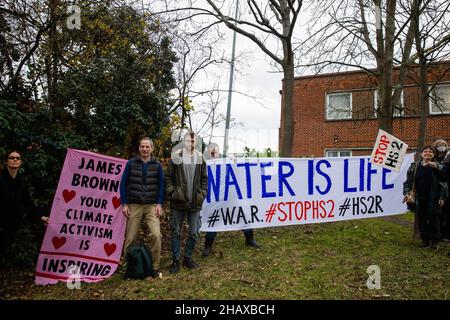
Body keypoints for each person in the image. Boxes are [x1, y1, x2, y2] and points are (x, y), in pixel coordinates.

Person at [202, 143, 260, 257]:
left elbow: (239, 172)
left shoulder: (226, 161)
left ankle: (250, 239)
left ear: (219, 152)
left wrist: (235, 162)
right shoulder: (204, 165)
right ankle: (207, 247)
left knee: (243, 215)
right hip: (215, 198)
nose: (214, 155)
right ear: (208, 153)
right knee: (214, 220)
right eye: (211, 153)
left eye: (216, 153)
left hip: (230, 196)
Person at [120, 137, 164, 278]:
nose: (145, 149)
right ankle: (127, 267)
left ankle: (155, 268)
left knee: (156, 235)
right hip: (134, 205)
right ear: (139, 148)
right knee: (130, 238)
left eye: (147, 147)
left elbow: (161, 185)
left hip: (151, 205)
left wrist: (159, 204)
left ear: (152, 148)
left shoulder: (157, 165)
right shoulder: (131, 163)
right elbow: (123, 183)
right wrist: (125, 203)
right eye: (142, 146)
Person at [166, 131, 208, 273]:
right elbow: (168, 178)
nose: (191, 143)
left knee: (194, 232)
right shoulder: (176, 157)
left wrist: (202, 194)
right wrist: (173, 192)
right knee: (176, 232)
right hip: (178, 202)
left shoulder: (200, 158)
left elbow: (204, 179)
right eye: (188, 141)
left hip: (194, 202)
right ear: (184, 142)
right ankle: (176, 260)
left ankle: (187, 258)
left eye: (193, 141)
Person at [0, 151, 48, 260]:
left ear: (20, 162)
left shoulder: (22, 181)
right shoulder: (1, 179)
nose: (15, 160)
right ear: (6, 161)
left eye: (18, 158)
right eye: (12, 157)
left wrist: (40, 217)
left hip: (11, 223)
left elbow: (27, 202)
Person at [403, 145, 447, 249]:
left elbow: (444, 183)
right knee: (421, 219)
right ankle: (425, 240)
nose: (428, 153)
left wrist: (442, 197)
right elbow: (407, 183)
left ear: (433, 154)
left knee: (434, 220)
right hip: (419, 197)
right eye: (425, 151)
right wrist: (407, 193)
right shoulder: (414, 166)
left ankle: (435, 241)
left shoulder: (438, 165)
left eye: (430, 151)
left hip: (434, 198)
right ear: (422, 154)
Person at [432, 139, 450, 241]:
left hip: (448, 187)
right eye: (439, 145)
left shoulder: (448, 158)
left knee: (448, 211)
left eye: (444, 145)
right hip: (437, 188)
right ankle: (439, 232)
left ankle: (447, 234)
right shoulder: (433, 159)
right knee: (440, 212)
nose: (442, 146)